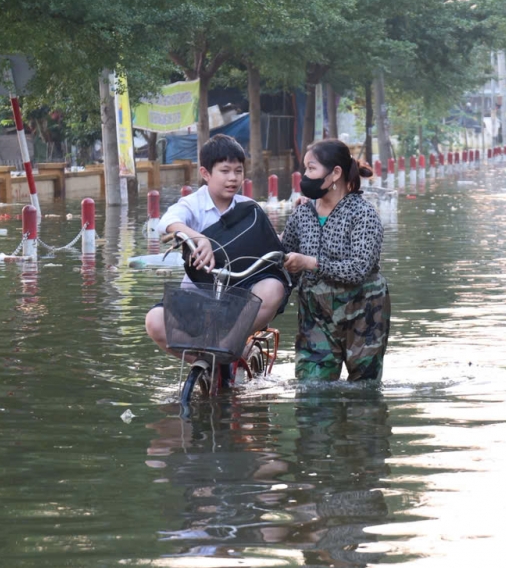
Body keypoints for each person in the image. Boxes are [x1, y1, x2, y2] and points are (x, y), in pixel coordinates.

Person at [144, 134, 289, 363]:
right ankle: (205, 363)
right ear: (205, 173)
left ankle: (229, 347)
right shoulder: (193, 204)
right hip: (197, 295)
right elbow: (167, 221)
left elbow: (268, 244)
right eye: (225, 170)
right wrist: (200, 238)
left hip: (240, 298)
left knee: (274, 288)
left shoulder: (248, 210)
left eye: (238, 171)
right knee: (154, 321)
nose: (233, 178)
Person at [281, 139, 389, 382]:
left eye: (312, 168)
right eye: (305, 169)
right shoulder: (302, 213)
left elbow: (359, 268)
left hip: (363, 313)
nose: (305, 176)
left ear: (335, 173)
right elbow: (285, 259)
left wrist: (311, 263)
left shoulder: (362, 214)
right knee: (312, 393)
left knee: (364, 396)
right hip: (316, 316)